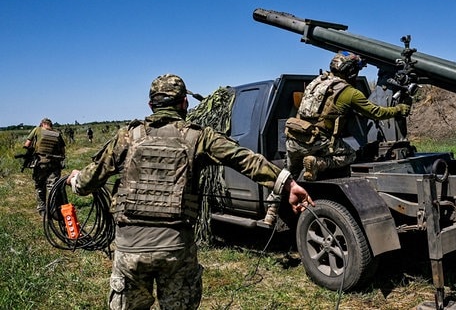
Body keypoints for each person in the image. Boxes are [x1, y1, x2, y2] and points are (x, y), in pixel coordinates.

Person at [65, 74, 314, 309]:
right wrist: (288, 184)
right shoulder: (199, 137)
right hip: (175, 249)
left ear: (151, 104)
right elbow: (244, 159)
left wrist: (75, 180)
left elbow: (88, 182)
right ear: (184, 102)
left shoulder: (127, 136)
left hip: (131, 250)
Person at [285, 51, 411, 181]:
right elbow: (377, 113)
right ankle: (318, 162)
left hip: (295, 138)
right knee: (350, 155)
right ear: (351, 71)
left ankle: (274, 199)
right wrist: (398, 109)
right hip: (318, 141)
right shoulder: (349, 92)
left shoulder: (315, 83)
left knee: (287, 178)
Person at [23, 118, 66, 215]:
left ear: (42, 124)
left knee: (40, 186)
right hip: (55, 163)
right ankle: (54, 208)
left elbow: (27, 144)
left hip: (40, 163)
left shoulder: (37, 130)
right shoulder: (57, 134)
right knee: (53, 187)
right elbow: (63, 151)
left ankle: (42, 209)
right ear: (51, 125)